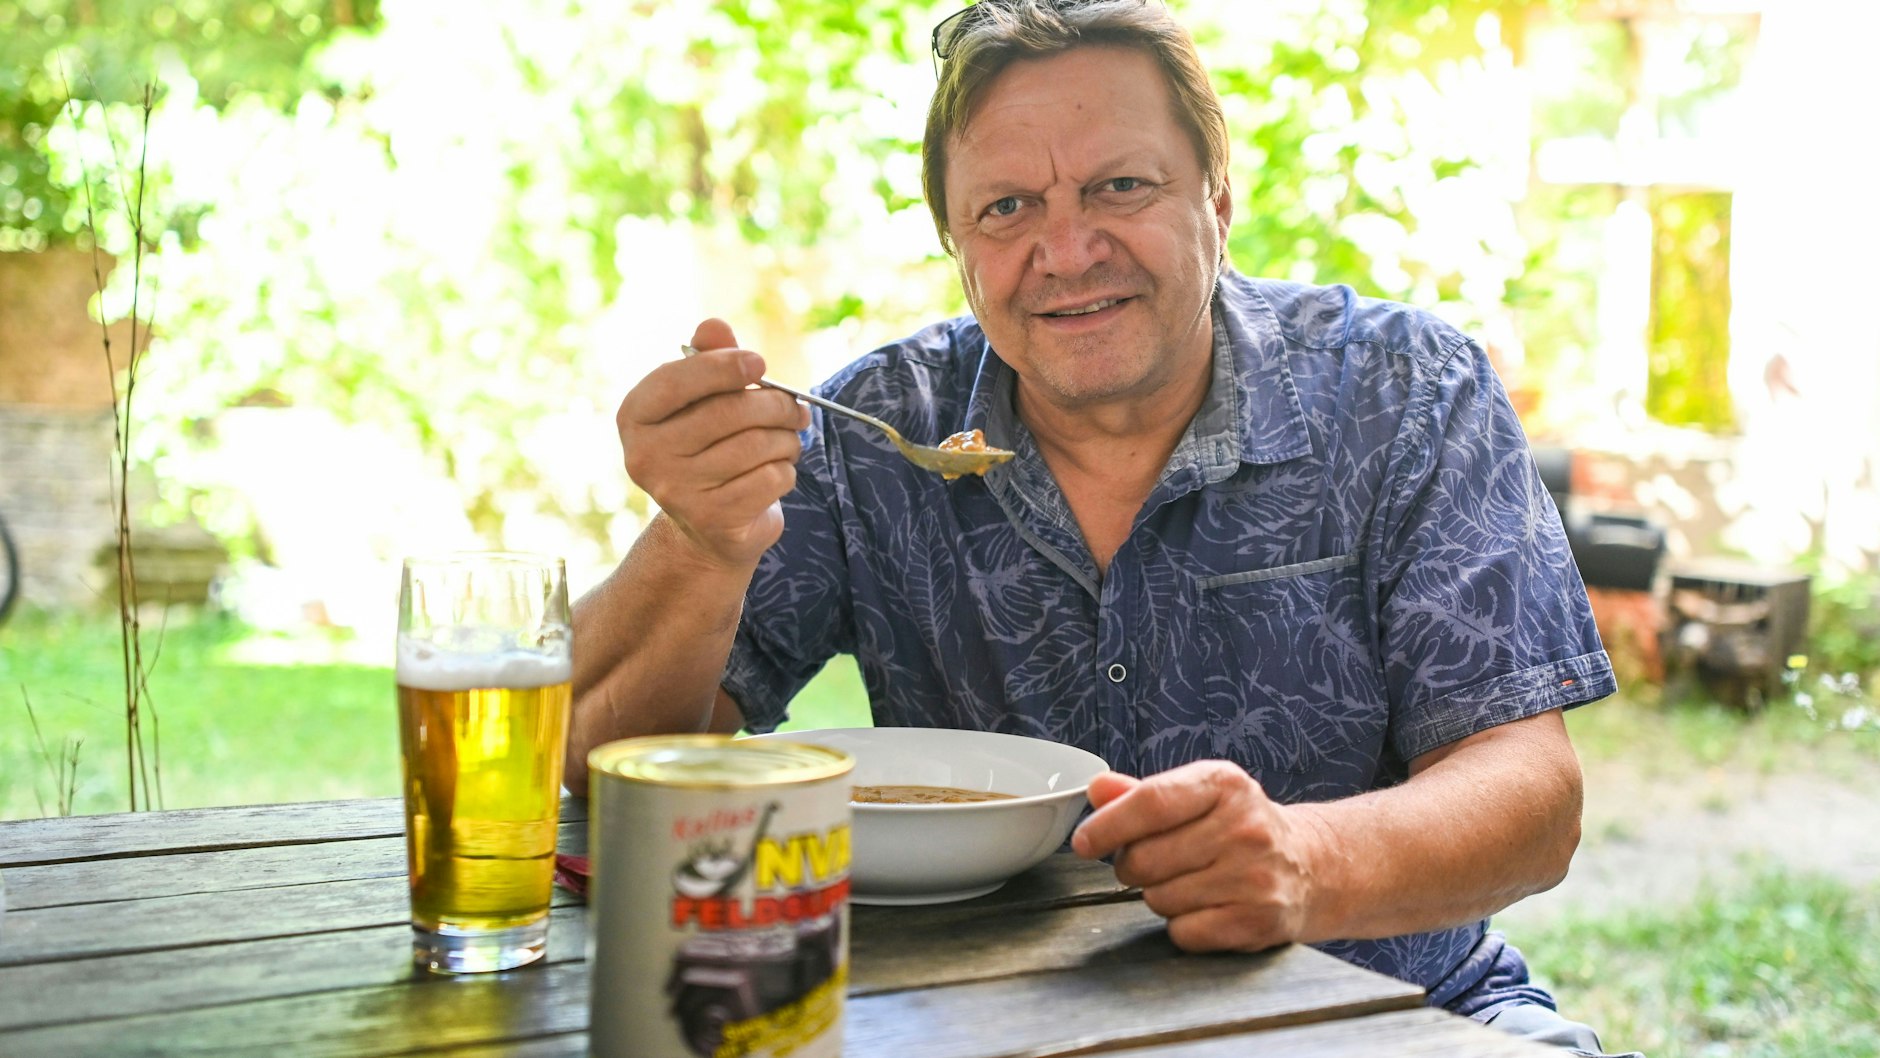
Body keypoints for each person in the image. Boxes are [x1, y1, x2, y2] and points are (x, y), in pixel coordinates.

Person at [567, 3, 1637, 1055]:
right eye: (1005, 208)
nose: (1066, 251)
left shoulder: (1404, 390)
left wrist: (1301, 858)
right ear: (953, 241)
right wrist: (698, 542)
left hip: (1392, 1013)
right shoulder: (874, 434)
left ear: (1217, 198)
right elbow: (600, 761)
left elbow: (1530, 796)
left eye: (1118, 187)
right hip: (988, 1026)